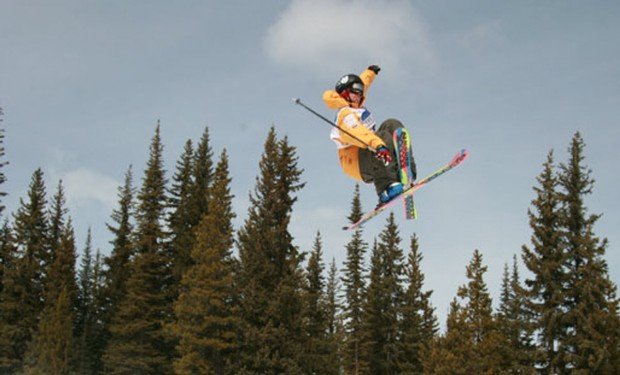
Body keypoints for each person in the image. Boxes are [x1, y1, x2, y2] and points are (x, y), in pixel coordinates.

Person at [322, 65, 416, 204]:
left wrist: (370, 73)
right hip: (356, 161)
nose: (358, 96)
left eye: (360, 93)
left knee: (392, 124)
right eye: (354, 93)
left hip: (371, 151)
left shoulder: (357, 105)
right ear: (345, 94)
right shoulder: (345, 114)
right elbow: (357, 133)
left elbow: (363, 83)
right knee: (383, 136)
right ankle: (386, 188)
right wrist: (378, 145)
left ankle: (406, 171)